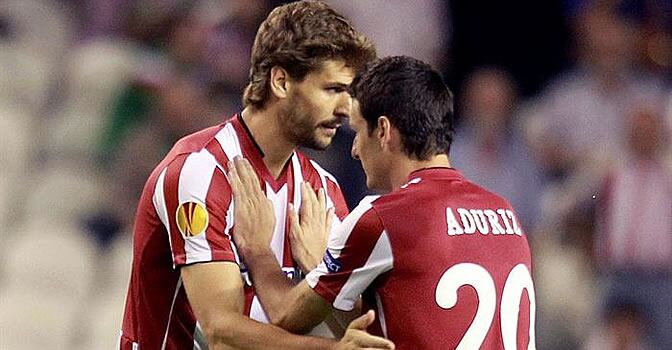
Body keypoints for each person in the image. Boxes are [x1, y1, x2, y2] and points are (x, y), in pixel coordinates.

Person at [119, 1, 395, 349]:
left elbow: (353, 325)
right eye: (332, 90)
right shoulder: (199, 172)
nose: (345, 110)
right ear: (280, 81)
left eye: (349, 93)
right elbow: (220, 333)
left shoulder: (323, 191)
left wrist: (318, 272)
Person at [229, 56, 536, 349]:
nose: (355, 150)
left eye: (358, 132)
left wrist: (258, 251)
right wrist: (321, 272)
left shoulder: (384, 217)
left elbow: (285, 314)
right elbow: (398, 326)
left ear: (384, 131)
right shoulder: (504, 212)